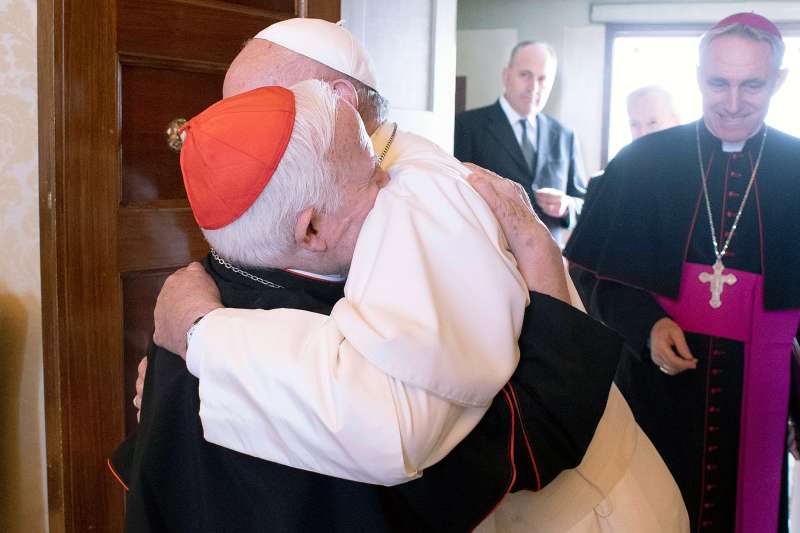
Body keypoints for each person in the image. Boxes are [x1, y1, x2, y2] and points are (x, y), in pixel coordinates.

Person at [124, 19, 688, 532]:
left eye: (260, 104)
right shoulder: (317, 182)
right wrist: (183, 380)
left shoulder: (412, 192)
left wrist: (200, 338)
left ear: (338, 99)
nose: (236, 128)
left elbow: (391, 424)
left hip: (586, 510)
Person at [565, 12, 800, 533]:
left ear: (779, 81)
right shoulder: (642, 163)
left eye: (752, 85)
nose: (733, 101)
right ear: (697, 76)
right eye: (718, 82)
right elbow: (593, 276)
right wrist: (645, 325)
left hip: (760, 397)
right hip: (656, 389)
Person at [454, 41, 587, 245]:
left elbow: (582, 201)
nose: (534, 87)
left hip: (549, 260)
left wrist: (566, 205)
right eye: (525, 75)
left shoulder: (564, 135)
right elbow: (457, 195)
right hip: (492, 254)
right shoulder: (467, 125)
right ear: (506, 76)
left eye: (543, 79)